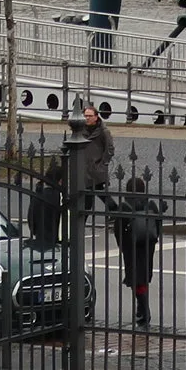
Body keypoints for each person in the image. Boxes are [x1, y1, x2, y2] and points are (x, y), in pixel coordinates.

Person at [109, 175, 163, 328]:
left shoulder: (125, 207)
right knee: (143, 278)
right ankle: (141, 309)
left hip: (131, 247)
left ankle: (144, 310)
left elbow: (118, 230)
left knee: (135, 278)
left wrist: (122, 246)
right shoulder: (151, 205)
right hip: (147, 246)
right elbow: (158, 226)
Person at [75, 103, 115, 207]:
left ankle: (115, 211)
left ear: (96, 117)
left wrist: (102, 164)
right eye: (85, 116)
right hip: (85, 169)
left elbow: (110, 149)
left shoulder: (103, 131)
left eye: (90, 116)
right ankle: (114, 211)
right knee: (93, 194)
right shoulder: (80, 129)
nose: (87, 118)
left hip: (97, 168)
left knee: (94, 194)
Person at [27, 164, 66, 247]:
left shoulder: (38, 195)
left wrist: (35, 231)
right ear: (60, 181)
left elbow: (31, 218)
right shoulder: (60, 196)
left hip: (40, 238)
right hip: (57, 241)